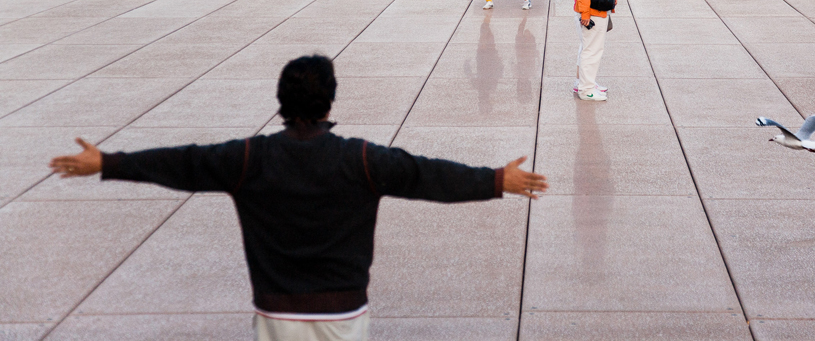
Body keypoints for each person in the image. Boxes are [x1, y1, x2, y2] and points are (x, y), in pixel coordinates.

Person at [48, 55, 548, 341]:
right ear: (329, 100)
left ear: (281, 101)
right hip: (345, 316)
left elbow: (183, 162)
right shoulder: (362, 159)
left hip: (276, 315)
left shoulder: (248, 158)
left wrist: (109, 162)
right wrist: (495, 180)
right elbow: (426, 177)